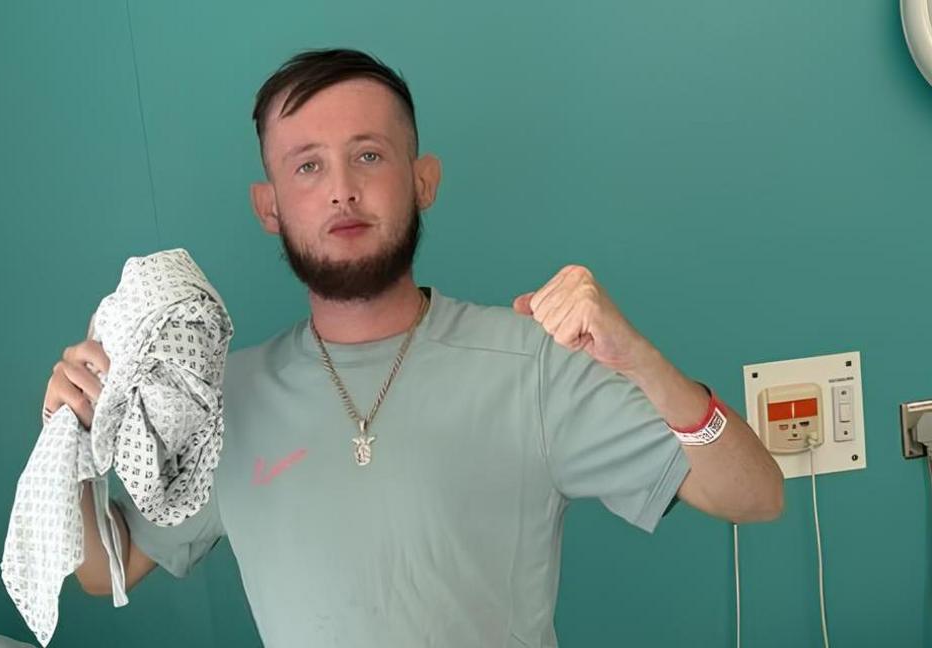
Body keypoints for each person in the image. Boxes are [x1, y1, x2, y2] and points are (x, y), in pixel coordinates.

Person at [43, 48, 783, 647]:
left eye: (368, 156)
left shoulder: (532, 363)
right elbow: (106, 571)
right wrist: (68, 439)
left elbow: (756, 495)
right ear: (269, 206)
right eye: (307, 165)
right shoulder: (223, 402)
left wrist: (642, 362)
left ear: (423, 181)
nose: (341, 189)